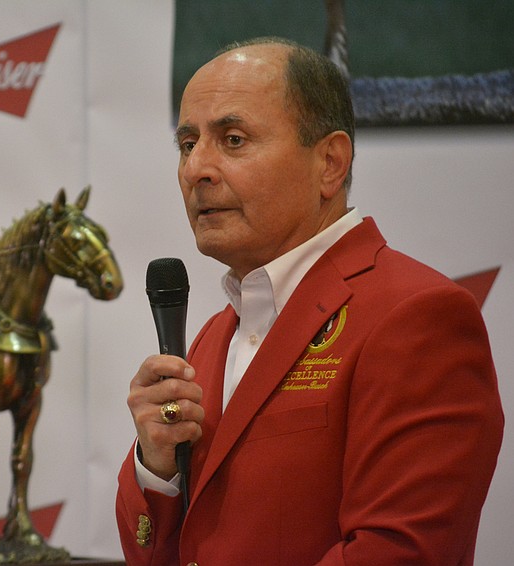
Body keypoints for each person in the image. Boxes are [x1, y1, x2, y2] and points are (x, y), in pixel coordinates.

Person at [116, 37, 504, 565]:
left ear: (329, 162)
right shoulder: (212, 335)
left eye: (232, 139)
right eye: (187, 144)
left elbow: (398, 553)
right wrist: (157, 466)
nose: (196, 169)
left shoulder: (417, 315)